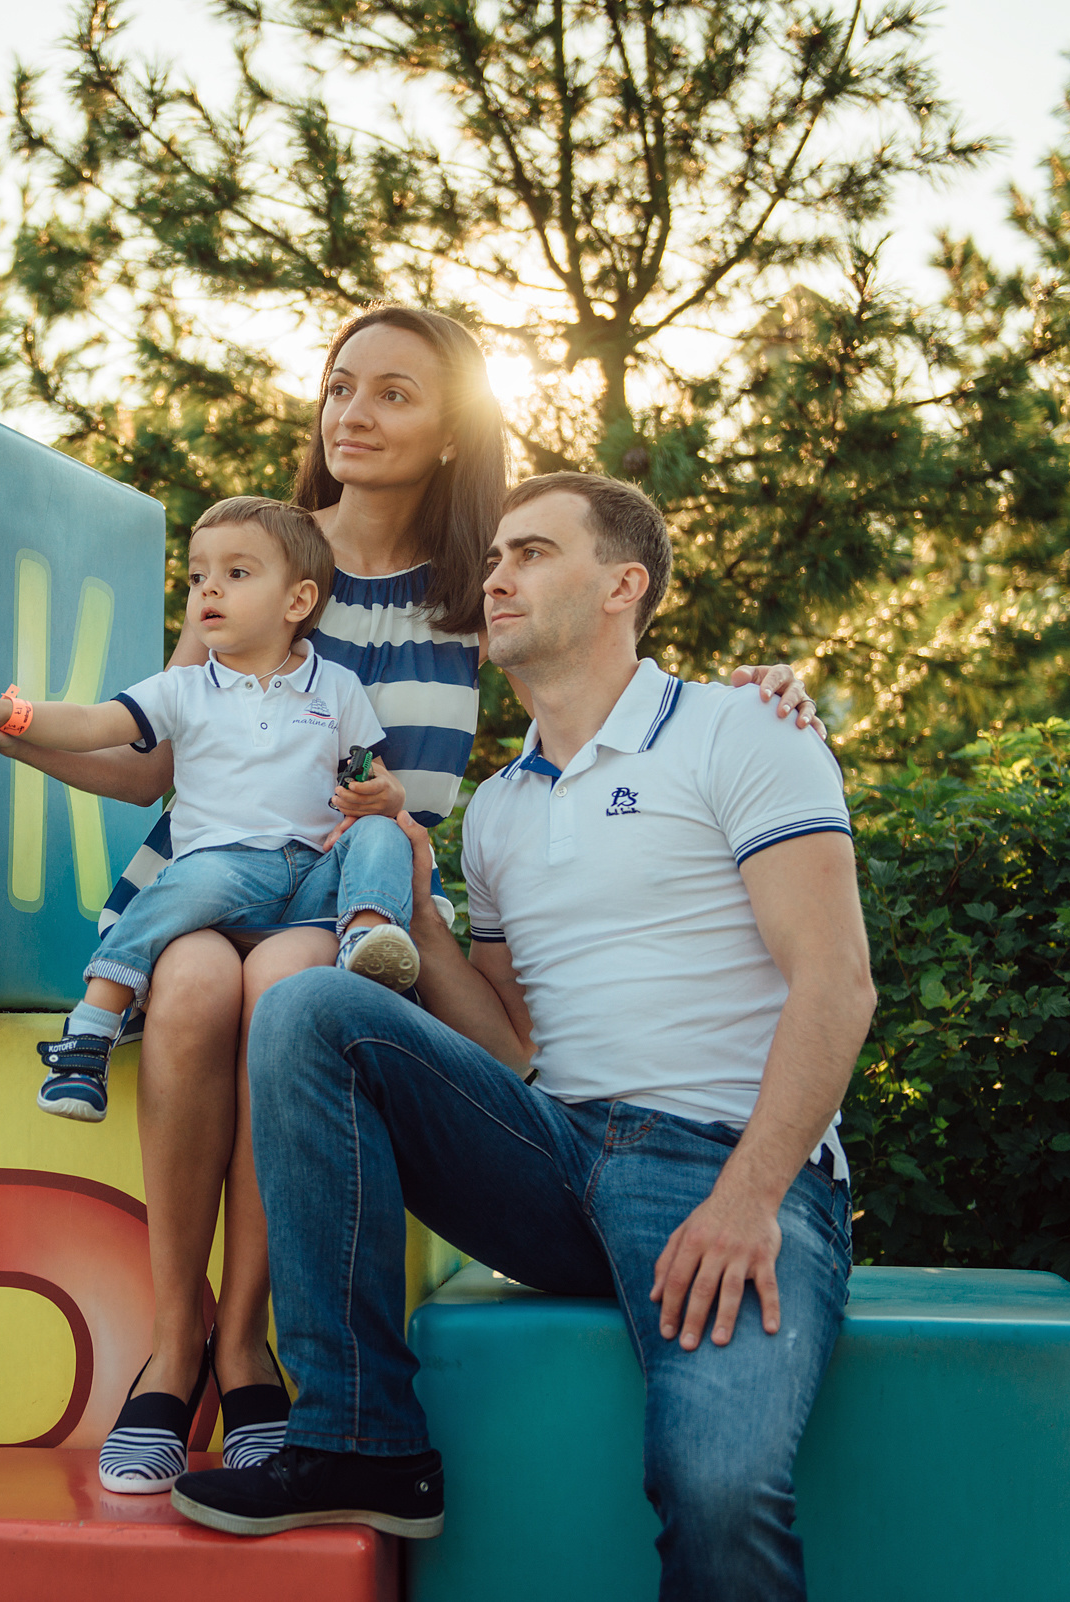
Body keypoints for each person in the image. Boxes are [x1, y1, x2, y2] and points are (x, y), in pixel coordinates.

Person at [0, 305, 823, 1500]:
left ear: (455, 431)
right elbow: (158, 747)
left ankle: (252, 1347)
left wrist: (777, 689)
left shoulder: (478, 593)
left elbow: (608, 670)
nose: (356, 412)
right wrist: (10, 734)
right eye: (342, 386)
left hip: (348, 891)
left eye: (396, 394)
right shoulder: (264, 554)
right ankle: (173, 1343)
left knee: (289, 987)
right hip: (213, 873)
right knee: (191, 980)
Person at [171, 471, 877, 1602]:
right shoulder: (495, 811)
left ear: (622, 585)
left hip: (724, 1169)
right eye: (495, 556)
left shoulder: (744, 727)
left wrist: (748, 1197)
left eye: (533, 554)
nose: (496, 577)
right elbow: (509, 1050)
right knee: (310, 1004)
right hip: (557, 1155)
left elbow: (839, 985)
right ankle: (361, 1438)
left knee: (718, 1489)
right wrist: (417, 903)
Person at [0, 496, 423, 1140]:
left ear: (297, 602)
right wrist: (6, 716)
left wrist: (374, 796)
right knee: (191, 881)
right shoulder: (181, 689)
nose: (208, 588)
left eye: (236, 574)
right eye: (196, 577)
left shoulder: (338, 687)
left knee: (386, 830)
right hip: (223, 873)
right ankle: (90, 1033)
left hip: (317, 878)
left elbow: (369, 771)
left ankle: (368, 939)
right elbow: (88, 722)